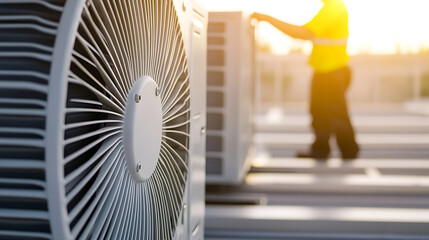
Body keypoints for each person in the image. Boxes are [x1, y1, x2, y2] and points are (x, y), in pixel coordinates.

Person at [252, 0, 359, 159]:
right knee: (319, 112)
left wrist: (268, 19)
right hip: (326, 70)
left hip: (332, 71)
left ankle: (349, 151)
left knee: (337, 113)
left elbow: (303, 33)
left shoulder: (334, 8)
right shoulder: (331, 7)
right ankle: (321, 149)